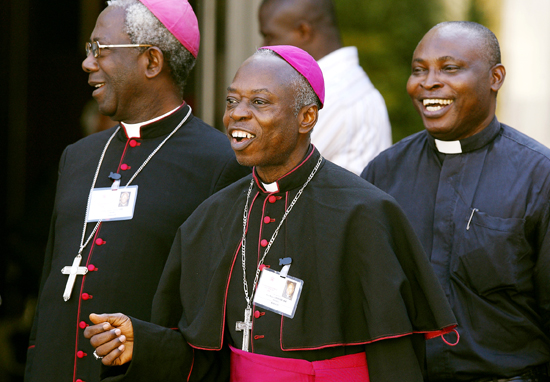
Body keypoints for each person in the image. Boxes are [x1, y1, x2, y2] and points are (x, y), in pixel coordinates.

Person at [84, 45, 457, 382]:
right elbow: (202, 357)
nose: (237, 116)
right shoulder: (210, 218)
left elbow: (393, 357)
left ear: (306, 117)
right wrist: (142, 342)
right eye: (232, 102)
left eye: (259, 102)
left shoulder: (364, 213)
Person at [24, 1, 249, 381]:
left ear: (151, 62)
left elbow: (218, 319)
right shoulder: (78, 157)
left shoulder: (220, 164)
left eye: (100, 49)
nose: (88, 63)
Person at [362, 21, 550, 382]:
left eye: (449, 68)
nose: (428, 82)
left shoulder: (538, 177)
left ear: (495, 77)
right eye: (419, 70)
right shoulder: (383, 173)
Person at [258, 0, 392, 175]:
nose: (263, 48)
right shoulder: (339, 90)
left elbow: (271, 171)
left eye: (270, 36)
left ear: (303, 31)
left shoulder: (338, 98)